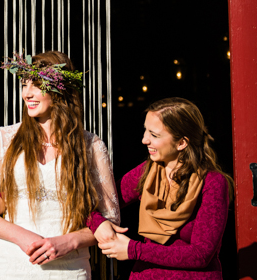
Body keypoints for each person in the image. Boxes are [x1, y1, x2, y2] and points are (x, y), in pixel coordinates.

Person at [0, 51, 120, 279]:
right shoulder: (5, 139)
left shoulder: (90, 145)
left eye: (37, 85)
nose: (27, 93)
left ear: (61, 90)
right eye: (24, 85)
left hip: (70, 268)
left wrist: (70, 241)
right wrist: (22, 237)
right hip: (11, 265)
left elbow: (110, 219)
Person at [93, 97, 233, 279]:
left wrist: (133, 250)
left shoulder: (212, 182)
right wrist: (99, 223)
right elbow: (94, 203)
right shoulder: (146, 172)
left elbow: (200, 255)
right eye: (145, 131)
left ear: (182, 142)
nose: (144, 140)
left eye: (154, 135)